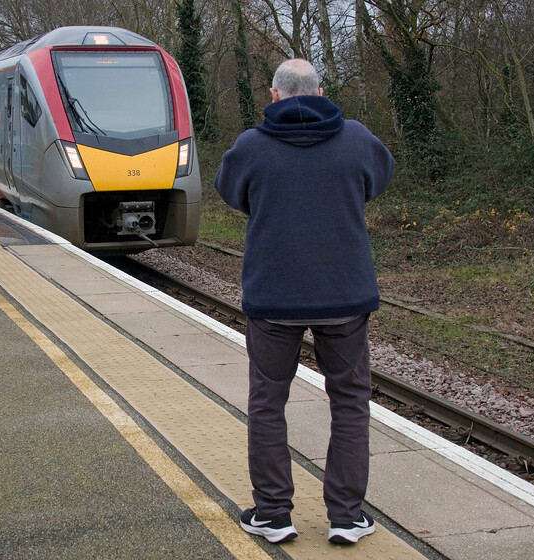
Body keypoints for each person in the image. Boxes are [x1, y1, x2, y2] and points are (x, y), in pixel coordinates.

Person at [214, 58, 395, 545]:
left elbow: (231, 191)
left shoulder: (252, 145)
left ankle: (273, 514)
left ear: (274, 95)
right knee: (351, 402)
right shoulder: (356, 139)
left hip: (274, 298)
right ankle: (346, 516)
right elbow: (376, 180)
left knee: (268, 402)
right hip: (345, 295)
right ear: (320, 91)